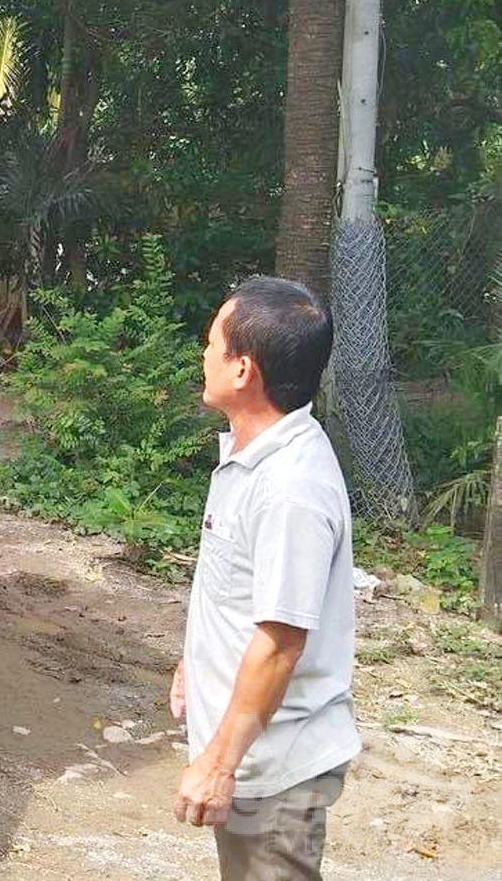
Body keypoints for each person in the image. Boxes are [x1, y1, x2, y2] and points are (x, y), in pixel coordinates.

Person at [171, 276, 361, 880]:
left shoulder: (290, 489)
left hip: (273, 767)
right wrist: (194, 662)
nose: (202, 356)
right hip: (252, 753)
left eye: (211, 345)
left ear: (242, 370)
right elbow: (242, 593)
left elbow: (281, 643)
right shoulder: (252, 455)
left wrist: (219, 765)